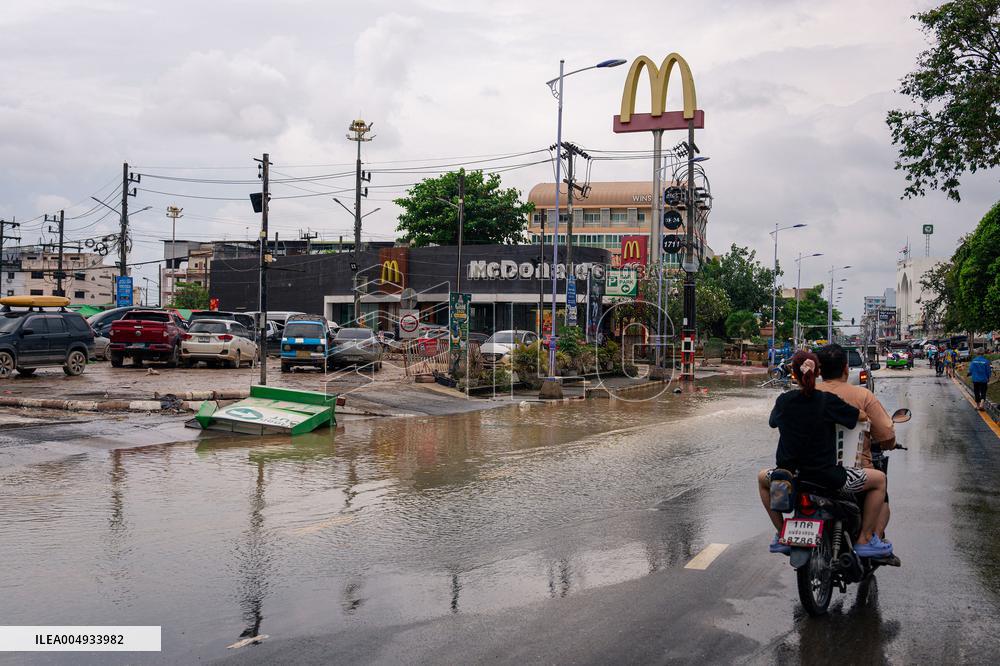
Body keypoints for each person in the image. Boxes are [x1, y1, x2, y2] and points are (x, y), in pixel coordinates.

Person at [757, 350, 893, 557]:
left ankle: (781, 531)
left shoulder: (784, 401)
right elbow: (861, 416)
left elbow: (772, 422)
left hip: (790, 477)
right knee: (880, 480)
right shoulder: (827, 400)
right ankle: (865, 539)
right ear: (817, 371)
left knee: (761, 477)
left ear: (793, 374)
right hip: (827, 476)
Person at [816, 344, 895, 539]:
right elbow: (886, 435)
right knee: (880, 484)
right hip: (853, 472)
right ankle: (867, 538)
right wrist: (887, 443)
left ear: (819, 370)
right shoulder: (862, 396)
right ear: (845, 368)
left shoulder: (805, 396)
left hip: (811, 472)